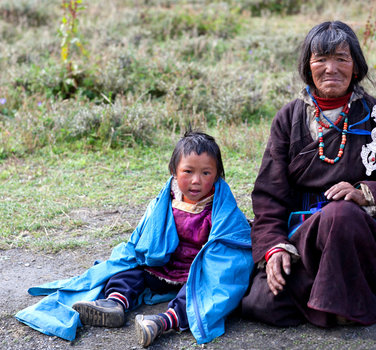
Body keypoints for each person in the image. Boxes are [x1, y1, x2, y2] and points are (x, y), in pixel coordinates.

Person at [241, 21, 376, 327]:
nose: (331, 68)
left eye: (341, 58)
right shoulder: (289, 117)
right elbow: (269, 196)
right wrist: (273, 247)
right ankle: (337, 302)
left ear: (356, 66)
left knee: (341, 215)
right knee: (263, 304)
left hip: (354, 233)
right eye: (320, 59)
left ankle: (332, 299)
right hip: (305, 234)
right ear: (307, 66)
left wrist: (363, 194)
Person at [16, 131, 253, 347]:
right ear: (174, 171)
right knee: (128, 270)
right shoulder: (167, 200)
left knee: (202, 292)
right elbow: (143, 239)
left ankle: (161, 322)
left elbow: (232, 242)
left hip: (194, 274)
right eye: (188, 171)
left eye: (206, 173)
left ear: (218, 175)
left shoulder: (220, 207)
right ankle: (115, 303)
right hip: (162, 267)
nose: (196, 181)